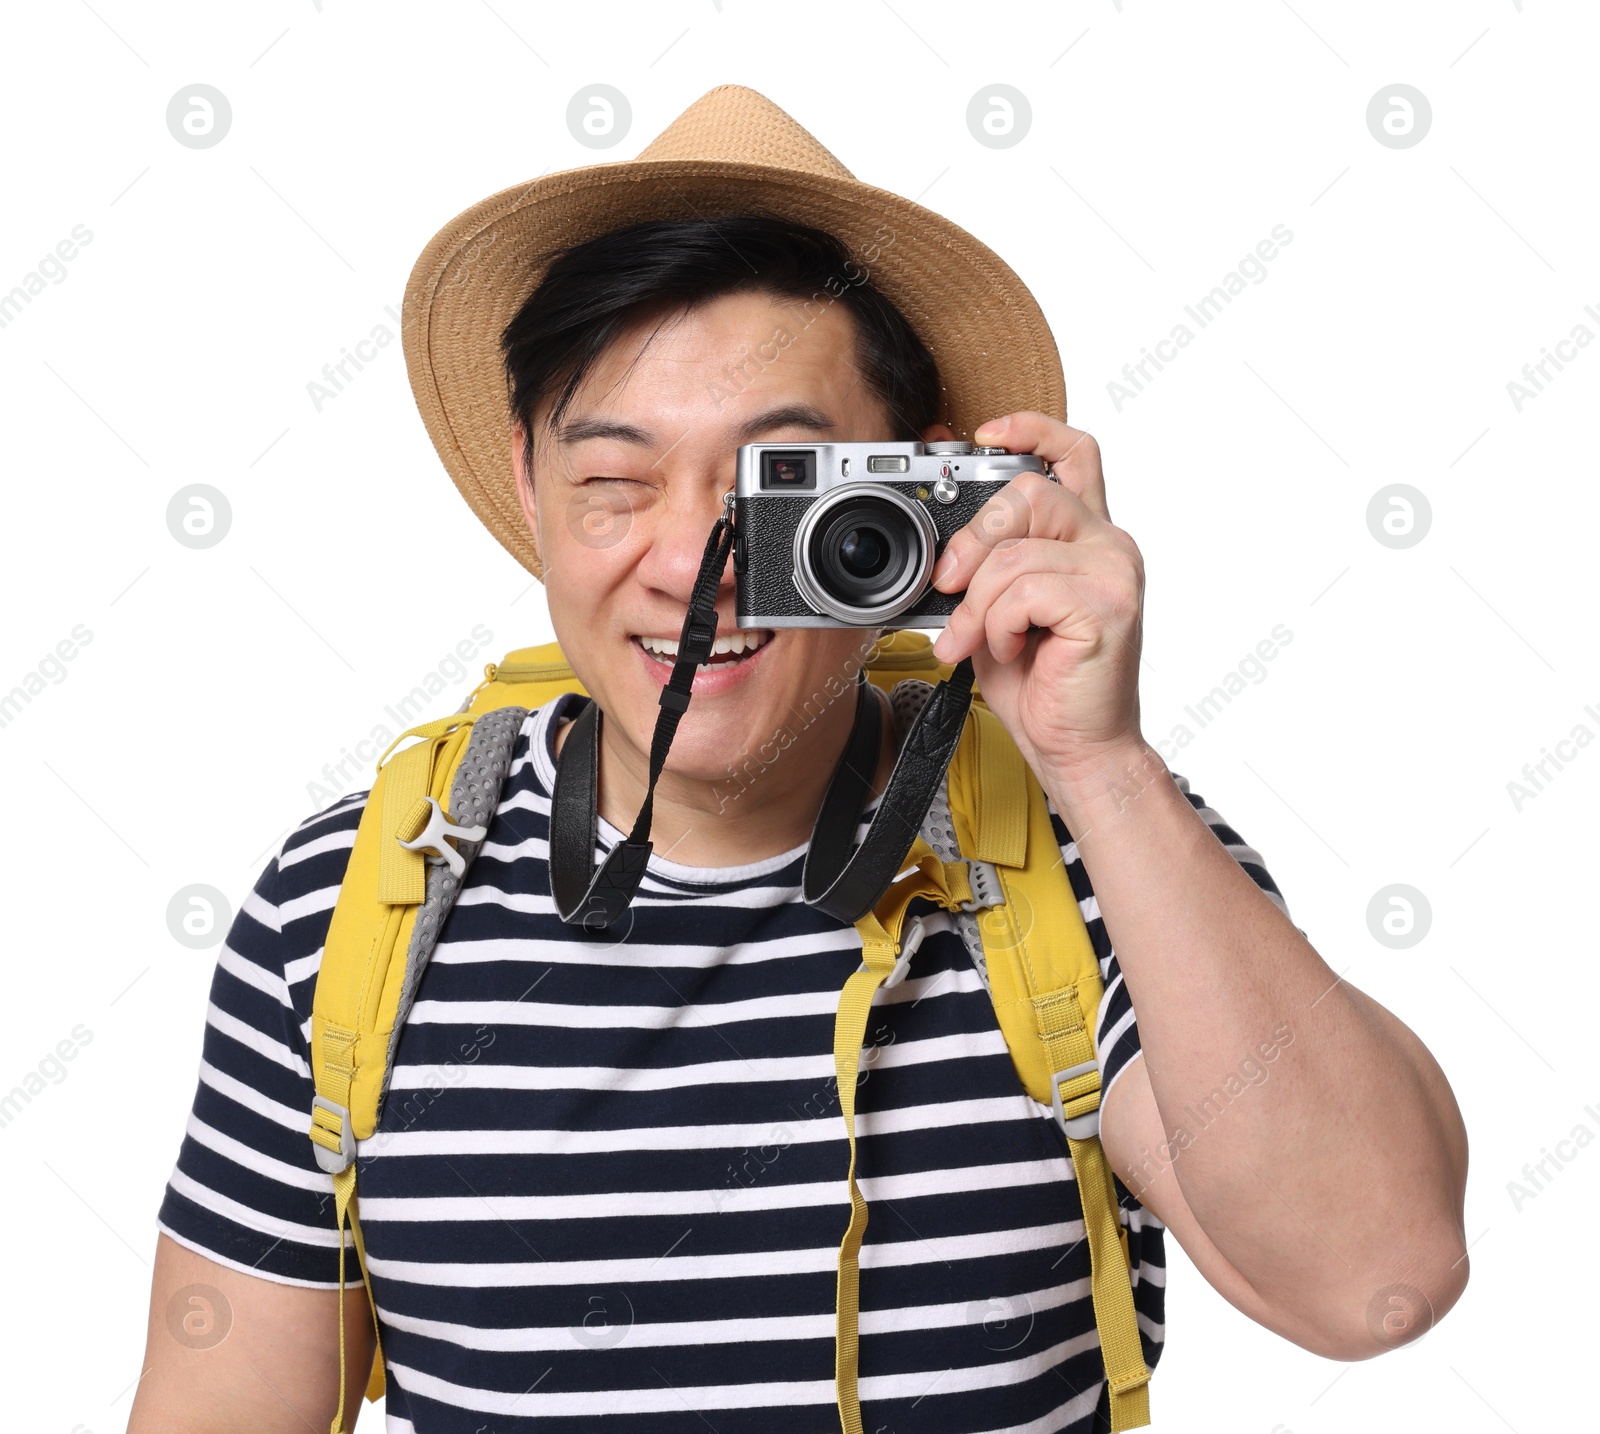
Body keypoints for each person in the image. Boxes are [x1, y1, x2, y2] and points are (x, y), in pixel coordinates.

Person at [128, 86, 1468, 1433]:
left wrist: (1099, 760)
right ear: (531, 486)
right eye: (617, 482)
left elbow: (1376, 1280)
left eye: (780, 488)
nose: (696, 569)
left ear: (910, 501)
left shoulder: (1090, 861)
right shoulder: (346, 907)